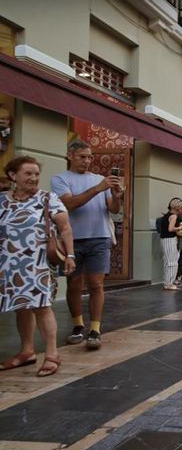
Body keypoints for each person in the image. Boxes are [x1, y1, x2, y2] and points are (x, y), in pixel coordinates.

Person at [1, 156, 76, 376]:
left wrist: (70, 255)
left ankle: (52, 354)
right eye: (28, 173)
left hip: (38, 262)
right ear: (13, 175)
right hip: (9, 262)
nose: (33, 178)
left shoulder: (48, 198)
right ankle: (27, 352)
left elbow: (65, 229)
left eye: (36, 174)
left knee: (41, 306)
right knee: (21, 306)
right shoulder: (2, 201)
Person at [51, 140, 123, 350]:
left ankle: (95, 329)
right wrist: (98, 189)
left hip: (99, 237)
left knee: (96, 284)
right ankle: (77, 326)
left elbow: (114, 210)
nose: (87, 160)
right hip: (71, 240)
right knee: (74, 284)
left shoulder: (100, 179)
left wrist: (117, 197)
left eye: (90, 157)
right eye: (82, 156)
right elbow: (69, 204)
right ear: (70, 156)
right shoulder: (60, 179)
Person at [158, 197, 182, 290]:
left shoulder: (167, 215)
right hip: (170, 240)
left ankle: (167, 282)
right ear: (178, 208)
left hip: (164, 240)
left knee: (168, 261)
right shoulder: (174, 216)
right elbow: (170, 229)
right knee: (172, 262)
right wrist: (180, 228)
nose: (181, 210)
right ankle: (169, 283)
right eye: (181, 208)